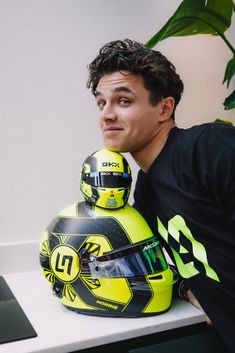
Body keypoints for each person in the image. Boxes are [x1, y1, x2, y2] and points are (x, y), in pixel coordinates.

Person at [86, 39, 235, 352]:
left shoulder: (208, 147)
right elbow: (166, 263)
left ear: (165, 108)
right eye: (102, 103)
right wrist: (187, 288)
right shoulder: (147, 190)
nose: (107, 115)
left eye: (123, 101)